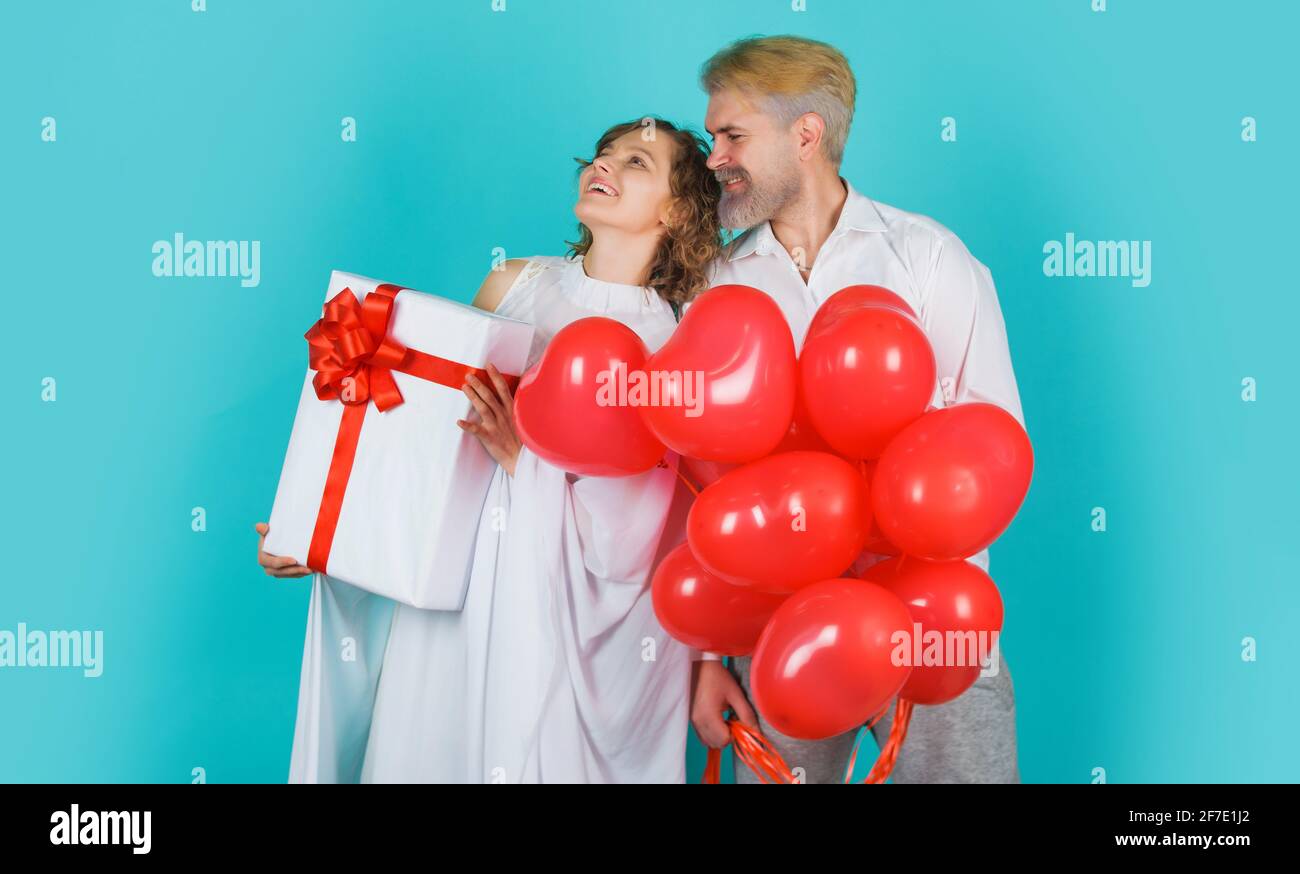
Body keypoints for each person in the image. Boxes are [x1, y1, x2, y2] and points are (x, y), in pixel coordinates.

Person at [257, 116, 723, 783]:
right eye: (601, 154)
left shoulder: (675, 336)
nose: (605, 166)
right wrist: (319, 527)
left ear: (677, 210)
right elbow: (434, 435)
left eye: (637, 163)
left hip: (565, 609)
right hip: (466, 577)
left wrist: (524, 457)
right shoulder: (517, 283)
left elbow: (651, 522)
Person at [689, 35, 1025, 784]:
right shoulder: (717, 286)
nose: (713, 157)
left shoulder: (929, 257)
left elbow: (991, 451)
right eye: (714, 137)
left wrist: (946, 626)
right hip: (780, 626)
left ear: (805, 134)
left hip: (930, 621)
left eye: (732, 135)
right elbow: (697, 478)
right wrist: (709, 658)